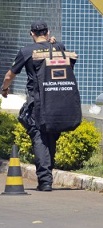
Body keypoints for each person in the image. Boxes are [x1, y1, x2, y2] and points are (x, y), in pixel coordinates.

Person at [1, 20, 67, 191]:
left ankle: (45, 181)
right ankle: (47, 175)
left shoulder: (26, 51)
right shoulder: (59, 47)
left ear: (32, 34)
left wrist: (4, 89)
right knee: (50, 136)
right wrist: (53, 43)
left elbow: (10, 75)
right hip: (57, 99)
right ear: (48, 32)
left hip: (37, 101)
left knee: (38, 136)